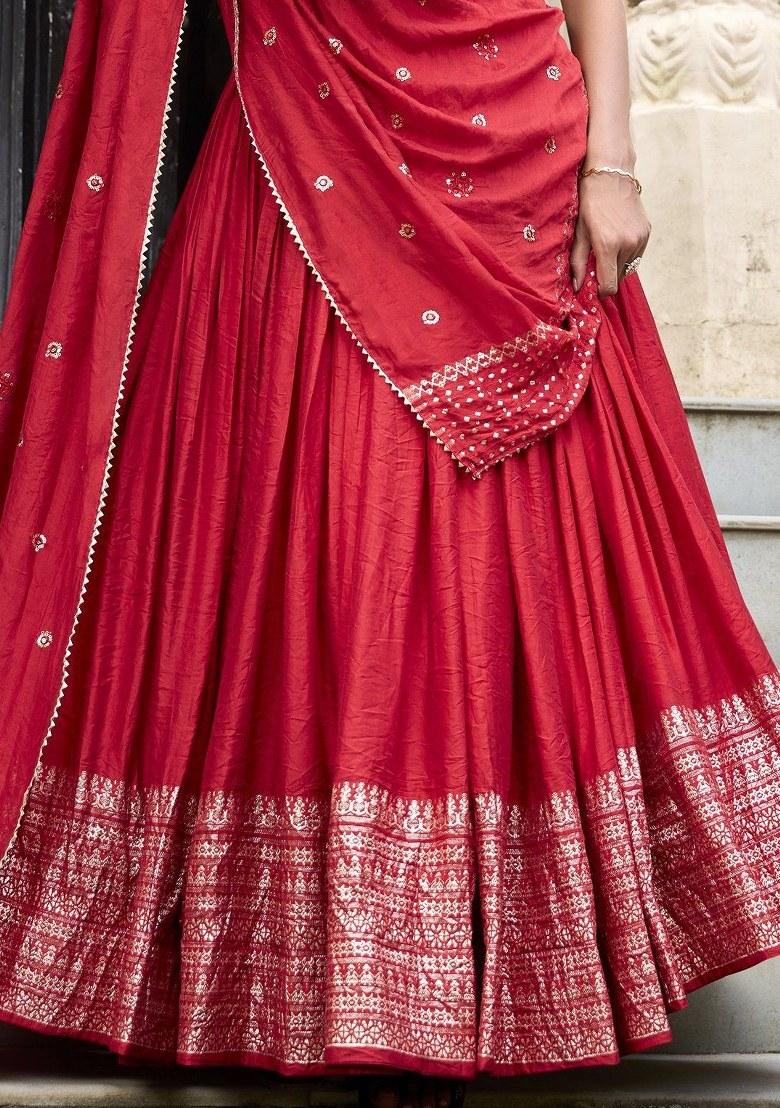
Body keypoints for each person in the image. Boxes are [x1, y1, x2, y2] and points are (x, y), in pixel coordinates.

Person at [0, 2, 778, 1107]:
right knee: (332, 552)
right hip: (308, 137)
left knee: (492, 571)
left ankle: (473, 990)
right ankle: (335, 998)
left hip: (510, 144)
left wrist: (615, 156)